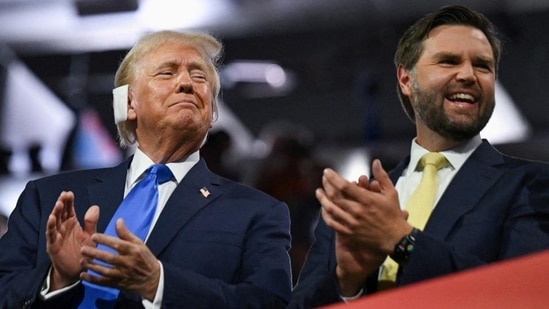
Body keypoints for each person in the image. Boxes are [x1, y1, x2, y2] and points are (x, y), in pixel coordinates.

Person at [0, 30, 292, 308]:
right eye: (167, 72)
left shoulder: (257, 213)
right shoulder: (48, 198)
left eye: (199, 75)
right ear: (129, 104)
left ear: (212, 112)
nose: (186, 83)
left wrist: (160, 285)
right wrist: (56, 279)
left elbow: (270, 303)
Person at [289, 5, 549, 308]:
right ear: (405, 79)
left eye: (483, 65)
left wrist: (403, 242)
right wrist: (349, 283)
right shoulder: (355, 210)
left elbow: (523, 295)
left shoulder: (531, 187)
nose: (468, 74)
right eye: (448, 61)